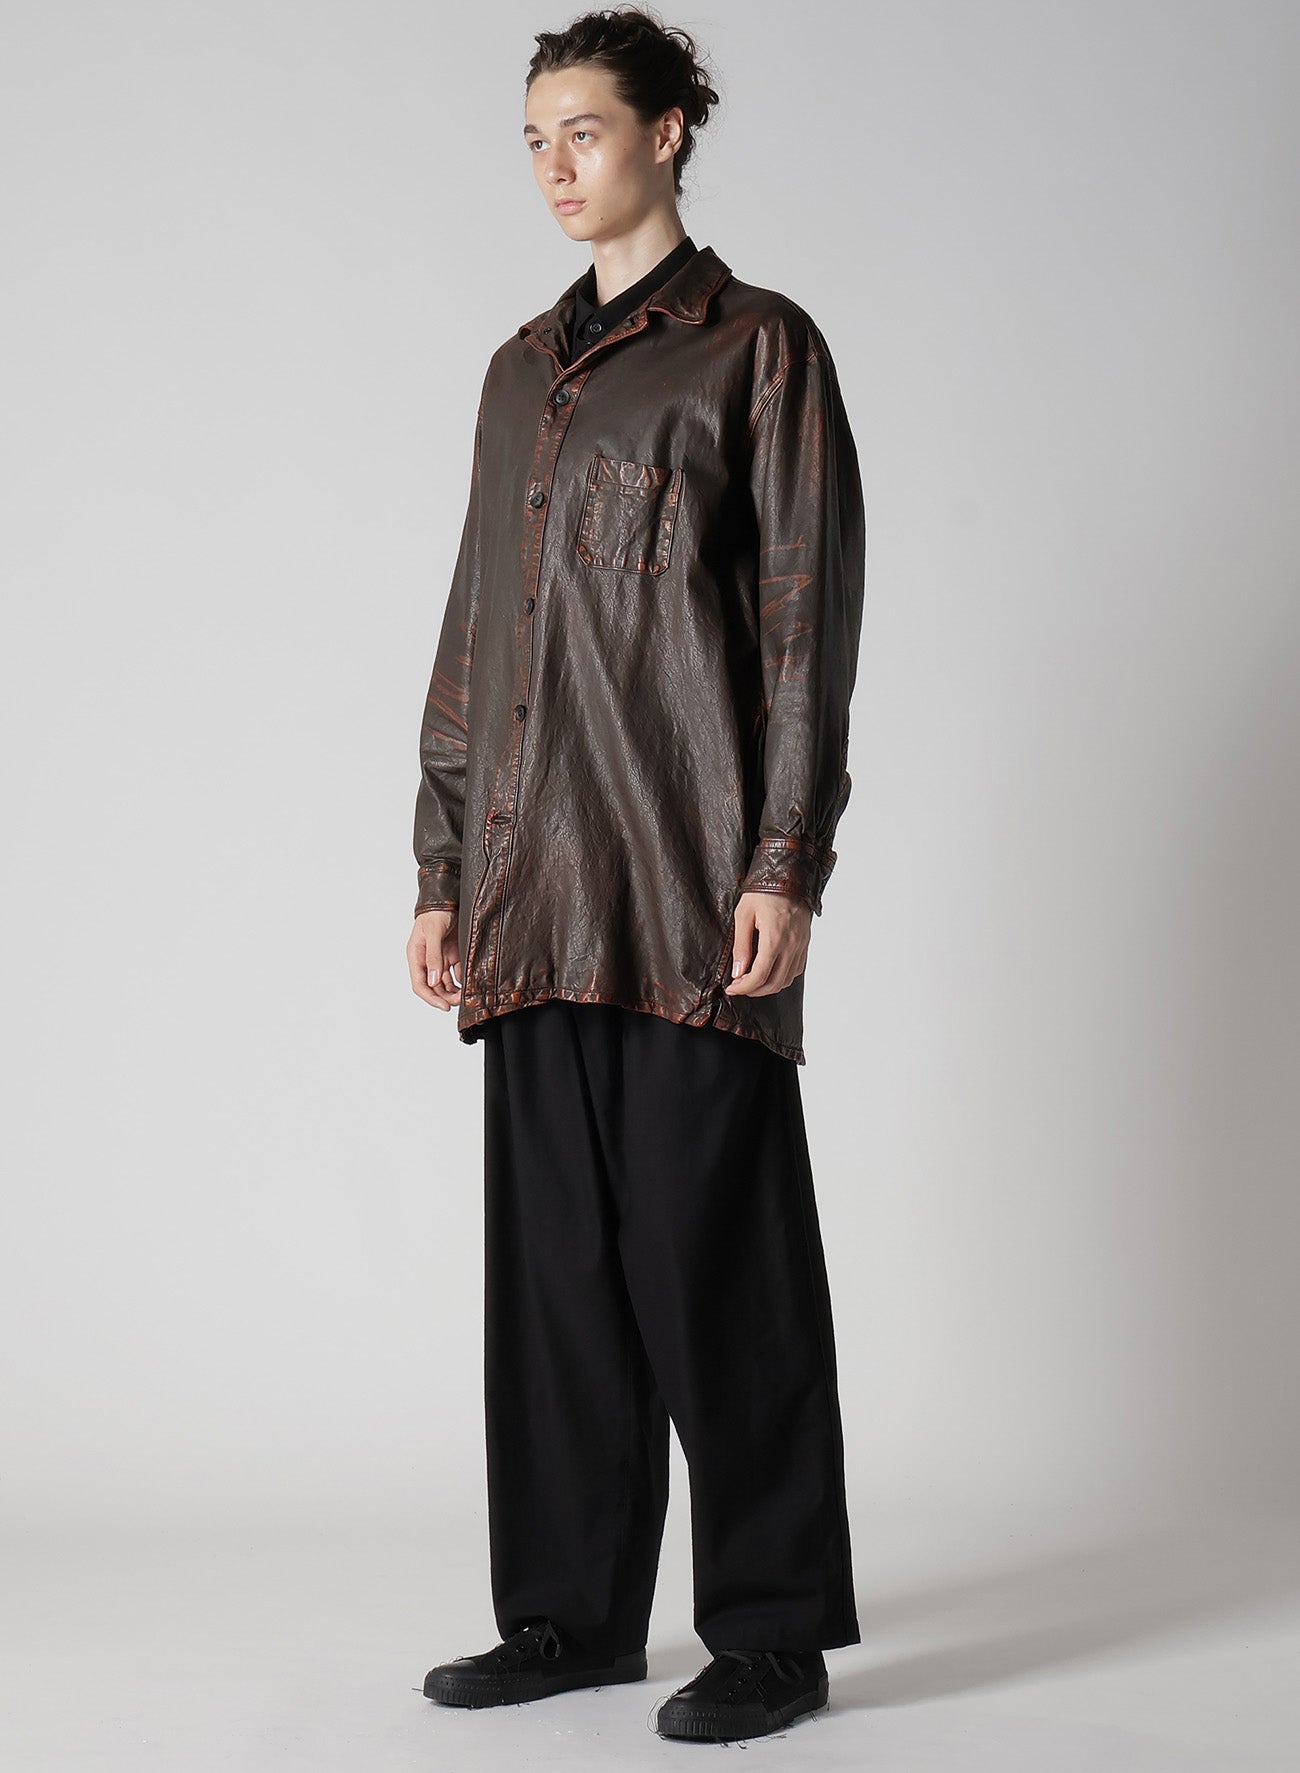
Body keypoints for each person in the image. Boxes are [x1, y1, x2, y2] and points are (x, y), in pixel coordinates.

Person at [406, 5, 866, 1745]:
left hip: (682, 892)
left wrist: (784, 861)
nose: (554, 165)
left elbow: (806, 626)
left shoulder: (760, 351)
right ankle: (569, 1615)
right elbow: (477, 632)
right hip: (528, 893)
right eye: (534, 138)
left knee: (719, 1268)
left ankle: (771, 1629)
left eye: (582, 130)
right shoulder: (516, 372)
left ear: (669, 131)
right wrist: (441, 860)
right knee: (558, 1285)